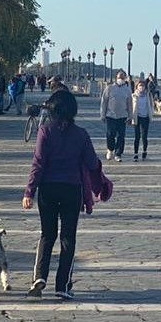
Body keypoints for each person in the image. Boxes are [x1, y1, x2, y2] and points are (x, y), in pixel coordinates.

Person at [22, 90, 105, 300]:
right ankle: (63, 285)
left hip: (48, 189)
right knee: (68, 238)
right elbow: (92, 163)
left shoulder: (45, 131)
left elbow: (38, 163)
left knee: (47, 235)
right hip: (71, 190)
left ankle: (39, 278)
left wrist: (29, 191)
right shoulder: (81, 134)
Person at [100, 70, 131, 161]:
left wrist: (130, 116)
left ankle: (118, 153)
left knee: (121, 135)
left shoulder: (127, 90)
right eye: (119, 77)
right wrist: (103, 114)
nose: (120, 79)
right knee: (110, 134)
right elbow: (104, 102)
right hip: (110, 115)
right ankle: (110, 149)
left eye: (122, 77)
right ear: (116, 78)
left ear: (125, 79)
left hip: (122, 116)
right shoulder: (109, 88)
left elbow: (130, 104)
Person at [130, 79, 152, 161]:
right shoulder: (134, 96)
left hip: (145, 117)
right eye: (140, 85)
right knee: (137, 136)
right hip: (137, 117)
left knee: (144, 136)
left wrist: (151, 114)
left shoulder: (148, 95)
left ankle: (144, 151)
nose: (141, 87)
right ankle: (135, 154)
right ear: (137, 87)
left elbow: (151, 105)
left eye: (143, 85)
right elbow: (130, 106)